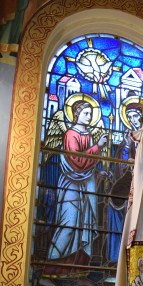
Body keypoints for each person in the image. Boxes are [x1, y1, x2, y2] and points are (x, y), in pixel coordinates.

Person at [45, 99, 108, 275]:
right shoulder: (70, 134)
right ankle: (51, 268)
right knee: (69, 224)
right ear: (76, 114)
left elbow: (88, 167)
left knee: (84, 227)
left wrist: (98, 173)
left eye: (91, 114)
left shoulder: (88, 135)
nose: (89, 117)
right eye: (86, 113)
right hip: (70, 185)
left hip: (85, 186)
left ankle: (77, 271)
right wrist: (97, 147)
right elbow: (76, 162)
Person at [107, 101, 143, 263]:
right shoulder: (130, 136)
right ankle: (118, 252)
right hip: (130, 181)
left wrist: (140, 162)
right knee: (114, 201)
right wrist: (126, 151)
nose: (133, 120)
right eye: (130, 117)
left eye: (136, 116)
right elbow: (121, 160)